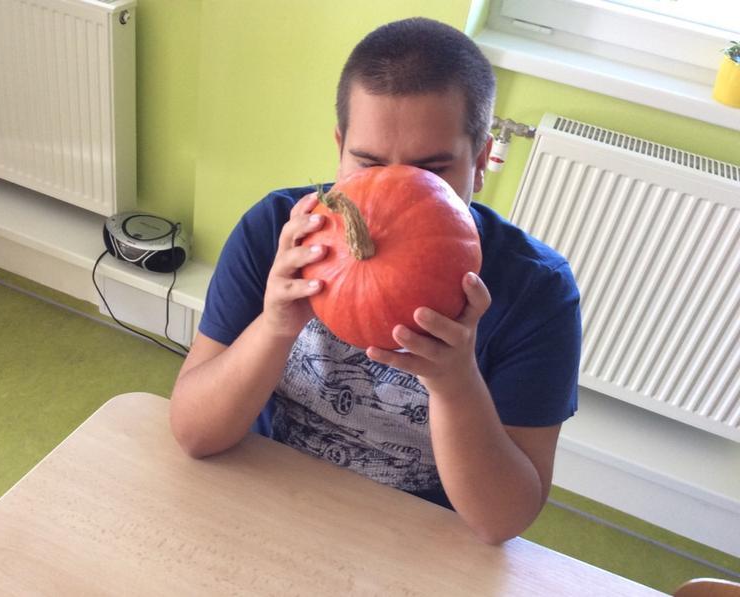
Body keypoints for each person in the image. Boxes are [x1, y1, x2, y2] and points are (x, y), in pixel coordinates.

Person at [170, 17, 581, 545]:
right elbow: (193, 433)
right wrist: (274, 326)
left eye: (431, 171)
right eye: (367, 165)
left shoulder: (537, 292)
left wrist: (455, 384)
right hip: (264, 492)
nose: (394, 190)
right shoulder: (276, 230)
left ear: (480, 162)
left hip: (413, 536)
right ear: (340, 148)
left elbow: (502, 520)